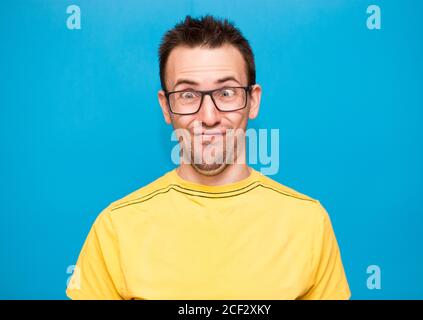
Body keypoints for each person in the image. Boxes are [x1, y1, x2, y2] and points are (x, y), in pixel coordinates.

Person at [66, 15, 351, 300]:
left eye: (226, 93)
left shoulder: (308, 223)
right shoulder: (115, 228)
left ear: (253, 101)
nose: (209, 117)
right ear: (166, 107)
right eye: (188, 95)